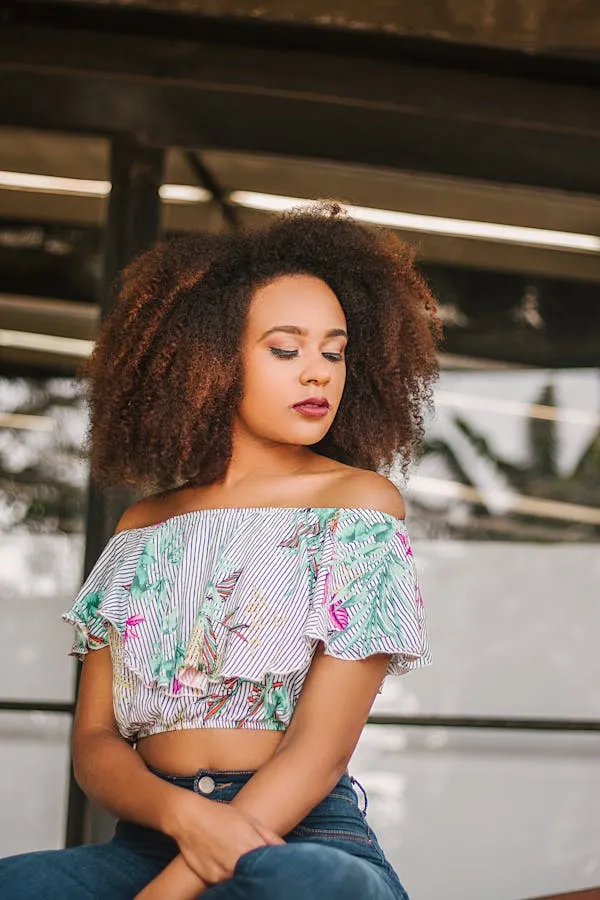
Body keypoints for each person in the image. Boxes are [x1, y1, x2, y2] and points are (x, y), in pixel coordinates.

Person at [0, 201, 440, 899]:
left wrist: (171, 892)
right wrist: (182, 817)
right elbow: (95, 744)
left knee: (319, 888)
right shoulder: (143, 526)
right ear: (207, 362)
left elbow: (319, 753)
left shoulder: (358, 505)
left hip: (292, 839)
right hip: (149, 837)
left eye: (335, 350)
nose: (319, 372)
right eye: (285, 348)